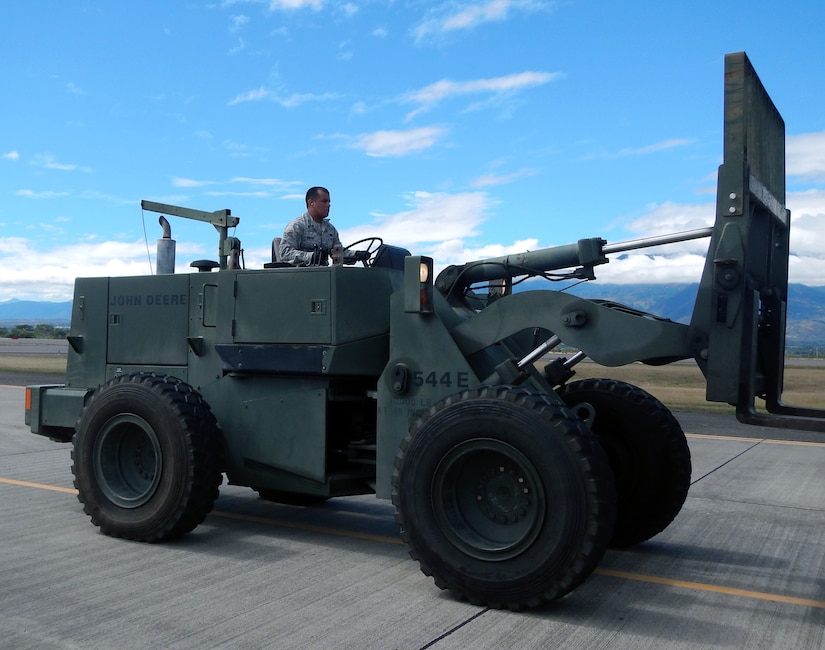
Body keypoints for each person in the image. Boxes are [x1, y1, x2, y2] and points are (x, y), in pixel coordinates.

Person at [279, 186, 342, 266]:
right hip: (301, 275)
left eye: (329, 202)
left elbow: (339, 253)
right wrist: (311, 257)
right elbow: (284, 253)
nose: (328, 205)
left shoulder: (330, 230)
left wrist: (358, 254)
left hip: (325, 275)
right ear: (311, 203)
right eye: (324, 201)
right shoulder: (297, 226)